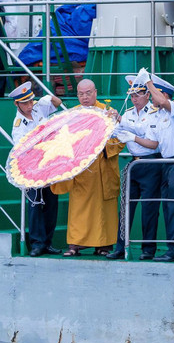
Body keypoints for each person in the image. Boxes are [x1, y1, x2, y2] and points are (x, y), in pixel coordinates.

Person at [50, 79, 123, 257]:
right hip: (82, 171)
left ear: (96, 92)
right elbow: (63, 140)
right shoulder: (72, 115)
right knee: (78, 209)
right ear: (77, 95)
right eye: (81, 94)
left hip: (102, 169)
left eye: (88, 93)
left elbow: (120, 138)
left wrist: (103, 146)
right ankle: (75, 245)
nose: (85, 97)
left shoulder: (107, 113)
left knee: (103, 210)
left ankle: (103, 245)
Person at [107, 75, 163, 260]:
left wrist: (124, 125)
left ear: (147, 94)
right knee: (125, 208)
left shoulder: (154, 112)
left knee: (149, 208)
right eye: (132, 96)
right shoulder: (129, 113)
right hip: (134, 162)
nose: (134, 99)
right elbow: (121, 130)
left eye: (138, 95)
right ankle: (120, 246)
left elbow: (147, 136)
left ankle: (148, 249)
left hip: (151, 162)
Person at [9, 81, 63, 257]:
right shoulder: (19, 125)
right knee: (35, 205)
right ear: (17, 104)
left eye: (31, 101)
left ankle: (48, 241)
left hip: (48, 165)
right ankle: (37, 243)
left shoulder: (39, 108)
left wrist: (47, 97)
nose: (29, 105)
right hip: (32, 169)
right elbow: (22, 148)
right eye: (25, 103)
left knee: (51, 204)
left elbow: (57, 103)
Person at [143, 72, 174, 263]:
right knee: (168, 208)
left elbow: (161, 101)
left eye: (153, 94)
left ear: (164, 95)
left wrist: (148, 82)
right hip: (165, 163)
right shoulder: (157, 116)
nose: (150, 97)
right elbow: (152, 144)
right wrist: (126, 132)